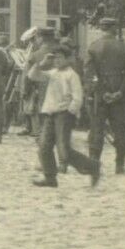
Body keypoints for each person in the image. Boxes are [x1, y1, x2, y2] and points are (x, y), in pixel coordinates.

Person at [30, 43, 100, 188]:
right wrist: (42, 63)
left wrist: (70, 112)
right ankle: (50, 178)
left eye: (60, 58)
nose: (57, 61)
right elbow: (32, 76)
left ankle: (92, 166)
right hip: (50, 113)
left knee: (64, 151)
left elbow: (78, 98)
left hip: (64, 115)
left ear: (68, 59)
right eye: (54, 58)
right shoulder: (52, 73)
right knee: (44, 146)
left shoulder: (72, 75)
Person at [84, 17, 125, 174]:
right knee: (120, 130)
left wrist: (102, 92)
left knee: (97, 130)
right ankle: (120, 165)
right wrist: (120, 92)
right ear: (113, 28)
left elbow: (89, 74)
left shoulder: (94, 47)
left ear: (102, 28)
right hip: (120, 95)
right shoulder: (124, 48)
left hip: (100, 96)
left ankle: (94, 164)